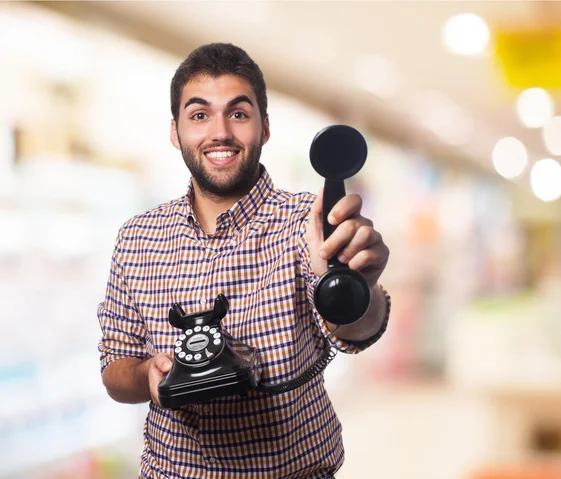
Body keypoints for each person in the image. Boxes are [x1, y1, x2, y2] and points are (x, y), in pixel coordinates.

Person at [97, 42, 391, 479]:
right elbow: (114, 366)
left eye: (238, 113)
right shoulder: (136, 237)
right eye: (199, 115)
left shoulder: (307, 222)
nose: (220, 133)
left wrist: (358, 288)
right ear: (176, 131)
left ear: (264, 127)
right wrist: (147, 377)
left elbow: (356, 331)